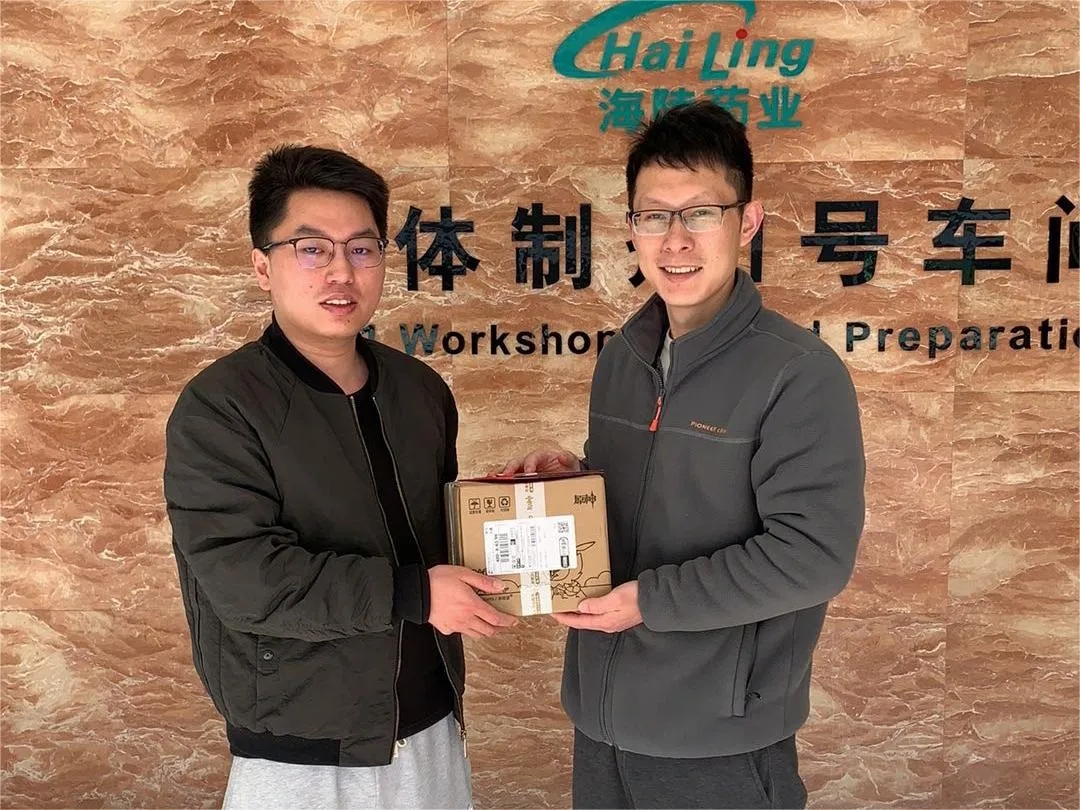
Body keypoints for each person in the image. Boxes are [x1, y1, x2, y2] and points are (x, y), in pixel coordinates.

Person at [502, 101, 866, 809]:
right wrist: (572, 481)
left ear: (747, 222)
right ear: (631, 227)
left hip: (718, 738)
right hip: (601, 721)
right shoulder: (624, 357)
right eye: (653, 216)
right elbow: (643, 500)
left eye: (700, 213)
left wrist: (649, 601)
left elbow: (814, 556)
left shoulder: (798, 373)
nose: (675, 241)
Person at [164, 144, 515, 810]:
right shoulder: (222, 406)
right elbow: (246, 581)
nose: (341, 272)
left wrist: (520, 497)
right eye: (311, 249)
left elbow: (437, 540)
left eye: (361, 248)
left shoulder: (419, 390)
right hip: (300, 748)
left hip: (431, 724)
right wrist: (413, 594)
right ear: (262, 266)